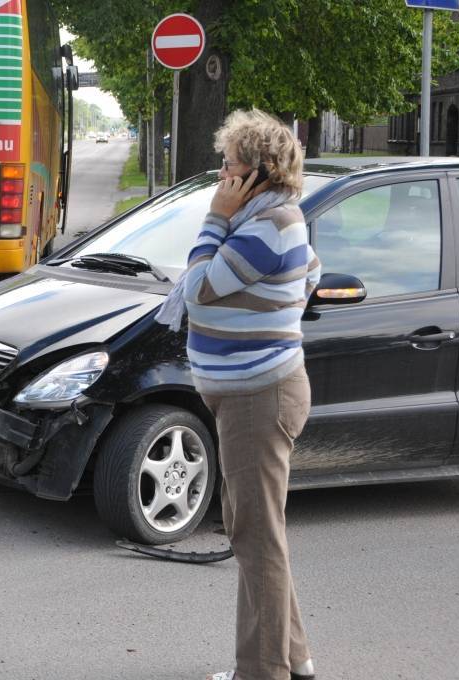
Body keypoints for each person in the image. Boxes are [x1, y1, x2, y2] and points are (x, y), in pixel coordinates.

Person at [182, 110, 321, 680]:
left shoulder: (268, 224)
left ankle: (262, 672)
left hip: (258, 397)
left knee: (256, 540)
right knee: (260, 534)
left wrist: (214, 220)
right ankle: (295, 659)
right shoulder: (270, 221)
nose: (220, 176)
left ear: (258, 172)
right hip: (252, 393)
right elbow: (312, 273)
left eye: (229, 165)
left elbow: (199, 289)